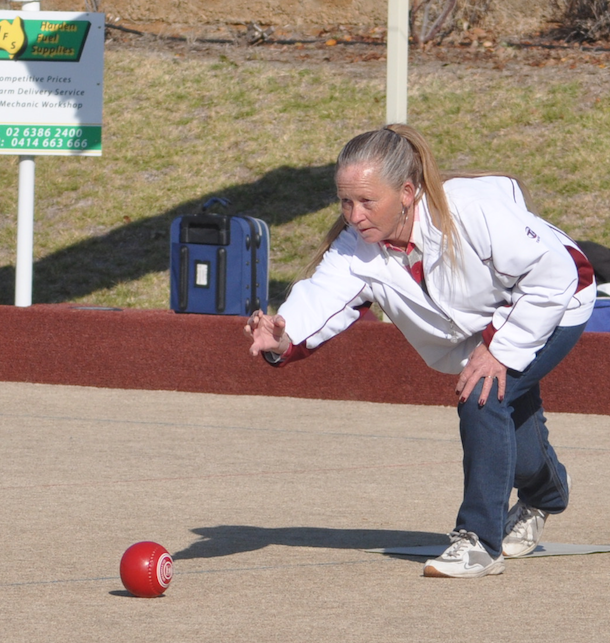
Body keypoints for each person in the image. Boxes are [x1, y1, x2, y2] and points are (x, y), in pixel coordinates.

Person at [244, 124, 596, 578]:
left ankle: (478, 542)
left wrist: (500, 351)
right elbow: (319, 301)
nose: (354, 215)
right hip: (483, 323)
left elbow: (558, 273)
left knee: (482, 396)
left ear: (407, 192)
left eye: (368, 201)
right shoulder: (356, 246)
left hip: (556, 300)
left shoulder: (472, 210)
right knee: (507, 413)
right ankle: (545, 494)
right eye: (345, 201)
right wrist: (282, 337)